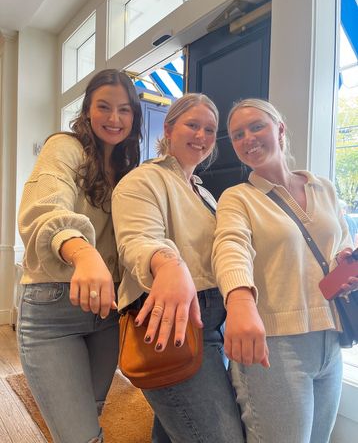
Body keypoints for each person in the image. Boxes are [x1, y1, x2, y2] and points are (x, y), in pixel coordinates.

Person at [212, 98, 358, 443]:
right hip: (274, 346)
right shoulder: (238, 198)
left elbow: (341, 240)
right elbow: (230, 246)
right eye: (237, 134)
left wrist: (345, 259)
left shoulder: (323, 187)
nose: (248, 138)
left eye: (256, 126)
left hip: (331, 336)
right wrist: (239, 298)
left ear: (280, 129)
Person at [17, 69, 142, 443]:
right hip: (53, 309)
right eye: (103, 107)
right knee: (80, 436)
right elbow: (44, 208)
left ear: (134, 117)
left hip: (105, 314)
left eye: (124, 110)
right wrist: (83, 252)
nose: (114, 118)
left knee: (90, 416)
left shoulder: (127, 171)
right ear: (87, 110)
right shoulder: (65, 147)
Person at [112, 93, 245, 443]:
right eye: (192, 125)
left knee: (176, 431)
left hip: (214, 324)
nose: (201, 135)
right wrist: (168, 264)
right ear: (169, 129)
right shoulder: (144, 180)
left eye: (209, 129)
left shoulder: (205, 193)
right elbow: (137, 241)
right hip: (171, 325)